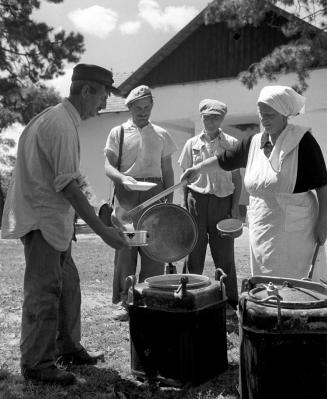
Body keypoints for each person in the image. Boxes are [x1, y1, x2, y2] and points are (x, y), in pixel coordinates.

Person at [1, 64, 127, 386]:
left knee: (68, 286)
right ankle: (37, 364)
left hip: (52, 222)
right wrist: (103, 233)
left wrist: (100, 208)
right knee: (44, 294)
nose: (102, 106)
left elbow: (73, 179)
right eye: (101, 97)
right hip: (43, 223)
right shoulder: (59, 125)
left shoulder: (61, 121)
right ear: (86, 91)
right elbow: (67, 185)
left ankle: (67, 348)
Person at [181, 85, 327, 282]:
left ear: (284, 115)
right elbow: (225, 159)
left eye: (270, 115)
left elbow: (322, 185)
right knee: (265, 280)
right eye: (261, 115)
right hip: (262, 224)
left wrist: (323, 222)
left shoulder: (302, 141)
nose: (265, 120)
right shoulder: (254, 143)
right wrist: (197, 168)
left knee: (295, 281)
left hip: (296, 226)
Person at [104, 85, 177, 321]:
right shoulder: (119, 132)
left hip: (154, 195)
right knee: (127, 247)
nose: (143, 112)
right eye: (138, 108)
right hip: (126, 196)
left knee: (152, 246)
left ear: (152, 107)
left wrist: (169, 202)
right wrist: (122, 177)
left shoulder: (161, 134)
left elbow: (167, 169)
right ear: (130, 107)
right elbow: (108, 166)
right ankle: (125, 301)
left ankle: (148, 296)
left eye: (147, 107)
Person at [178, 99, 242, 315]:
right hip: (196, 201)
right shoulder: (191, 144)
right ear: (201, 118)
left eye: (215, 117)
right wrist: (184, 204)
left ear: (222, 118)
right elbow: (185, 178)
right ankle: (190, 295)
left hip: (222, 201)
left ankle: (228, 301)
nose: (211, 121)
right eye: (207, 117)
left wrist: (234, 208)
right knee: (194, 251)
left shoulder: (232, 143)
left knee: (224, 253)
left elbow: (237, 179)